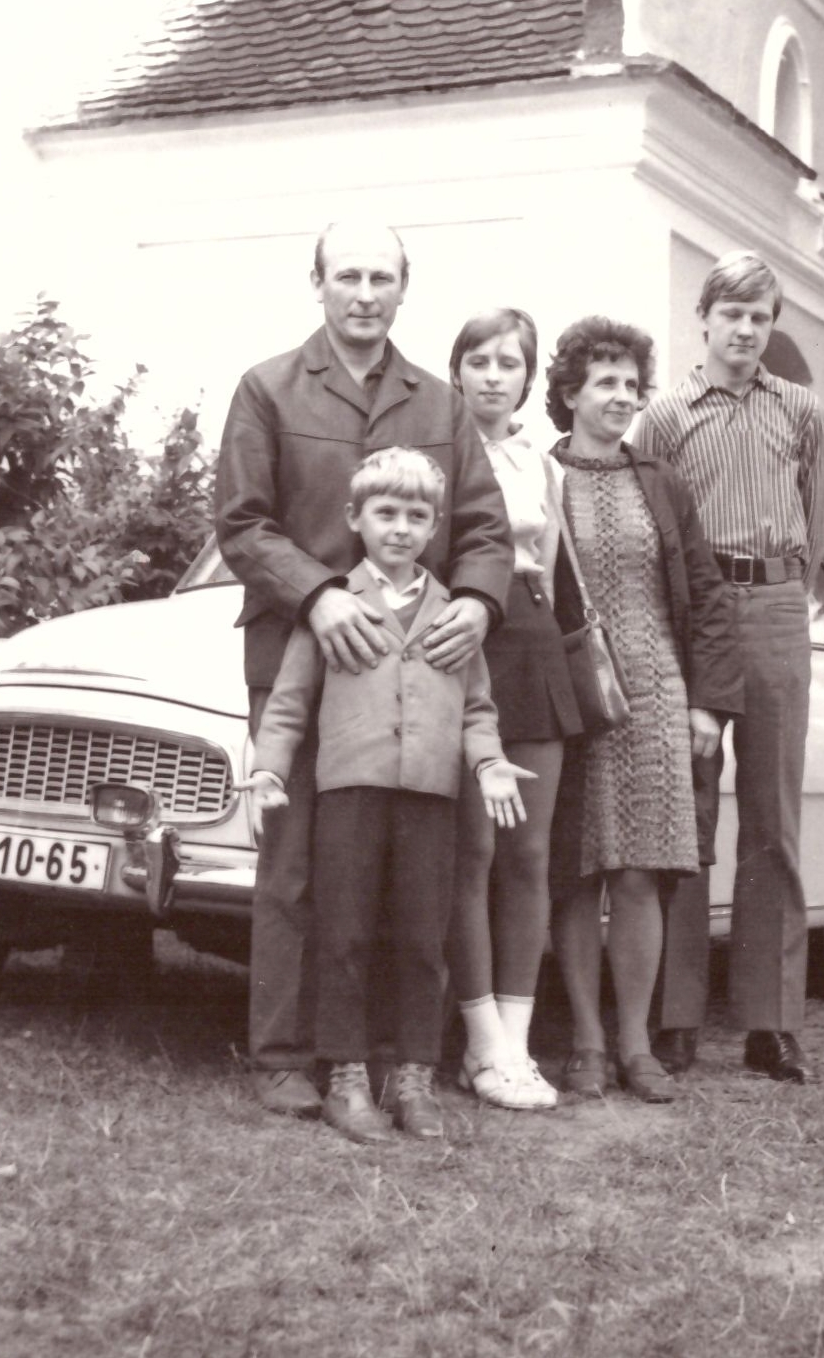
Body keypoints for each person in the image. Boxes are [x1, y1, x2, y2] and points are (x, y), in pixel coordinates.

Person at [213, 220, 513, 1116]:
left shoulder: (440, 405)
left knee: (396, 876)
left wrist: (476, 604)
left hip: (413, 674)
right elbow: (242, 524)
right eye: (348, 275)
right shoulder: (267, 388)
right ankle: (282, 1056)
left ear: (403, 289)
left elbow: (485, 530)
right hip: (297, 654)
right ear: (317, 283)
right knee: (296, 865)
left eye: (382, 278)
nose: (365, 294)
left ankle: (382, 1060)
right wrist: (317, 595)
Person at [242, 448, 533, 1144]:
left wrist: (490, 763)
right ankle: (346, 1078)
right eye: (386, 513)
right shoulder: (333, 607)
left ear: (434, 526)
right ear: (356, 518)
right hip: (350, 796)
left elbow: (477, 708)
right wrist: (270, 770)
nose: (400, 528)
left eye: (416, 516)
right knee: (343, 934)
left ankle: (413, 1078)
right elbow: (289, 702)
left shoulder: (455, 613)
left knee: (423, 938)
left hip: (430, 797)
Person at [634, 252, 824, 1084]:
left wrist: (782, 594)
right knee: (689, 814)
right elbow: (652, 532)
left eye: (760, 317)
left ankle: (769, 1023)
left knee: (773, 818)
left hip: (778, 606)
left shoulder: (801, 410)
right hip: (700, 613)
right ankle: (676, 1016)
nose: (746, 330)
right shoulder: (666, 416)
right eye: (733, 314)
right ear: (705, 319)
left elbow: (815, 520)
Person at [545, 317, 742, 1103]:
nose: (623, 396)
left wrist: (708, 706)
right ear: (569, 394)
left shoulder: (660, 480)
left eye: (632, 384)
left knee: (638, 875)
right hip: (571, 698)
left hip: (657, 696)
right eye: (606, 383)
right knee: (573, 872)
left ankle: (634, 1044)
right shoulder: (540, 477)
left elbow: (708, 595)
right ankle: (585, 1043)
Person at [446, 309, 584, 1110]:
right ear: (456, 370)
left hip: (530, 650)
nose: (494, 375)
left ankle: (517, 1042)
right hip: (462, 645)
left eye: (509, 363)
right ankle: (480, 1043)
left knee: (528, 855)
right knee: (472, 851)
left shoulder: (540, 462)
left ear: (529, 378)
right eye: (480, 360)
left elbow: (552, 569)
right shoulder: (437, 449)